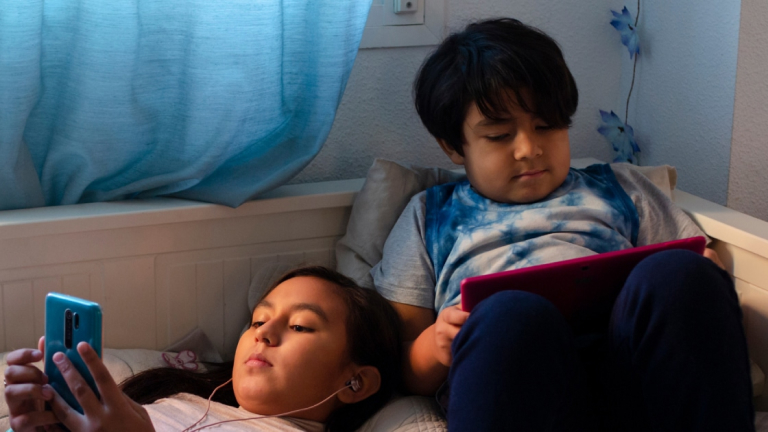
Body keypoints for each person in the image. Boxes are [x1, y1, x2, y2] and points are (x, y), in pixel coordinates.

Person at [371, 18, 755, 431]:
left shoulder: (619, 188)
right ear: (452, 146)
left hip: (632, 378)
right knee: (508, 315)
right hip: (519, 388)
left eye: (546, 126)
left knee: (678, 273)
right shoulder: (430, 215)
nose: (529, 149)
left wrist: (704, 272)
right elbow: (403, 362)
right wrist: (434, 346)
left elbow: (694, 269)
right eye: (499, 135)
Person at [3, 266, 402, 432]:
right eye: (257, 321)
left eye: (300, 325)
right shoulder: (180, 398)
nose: (263, 333)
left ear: (357, 382)